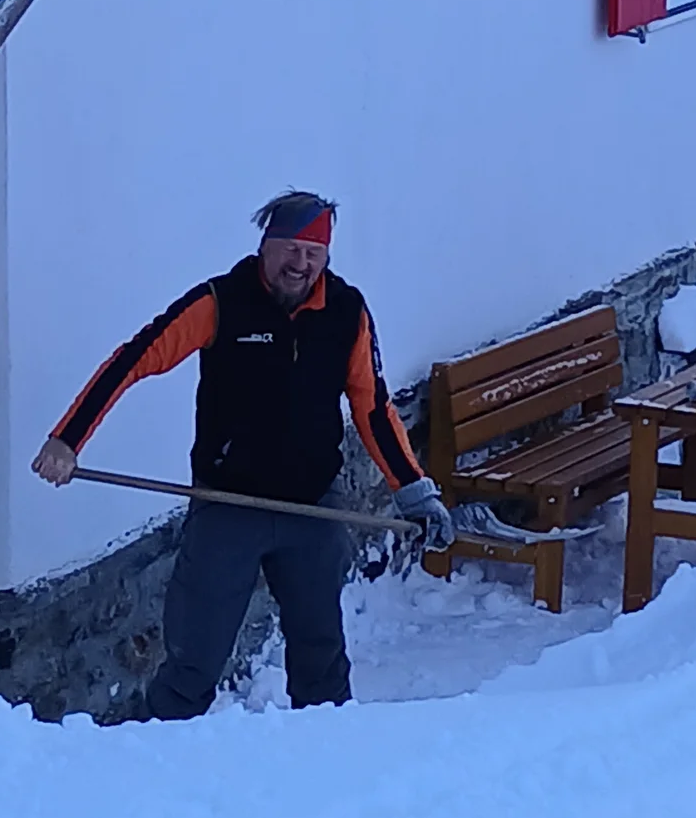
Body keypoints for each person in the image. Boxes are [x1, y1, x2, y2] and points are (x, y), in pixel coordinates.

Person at [33, 190, 454, 717]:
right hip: (228, 506)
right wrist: (67, 439)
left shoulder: (346, 311)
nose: (300, 264)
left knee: (322, 660)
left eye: (314, 253)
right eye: (290, 249)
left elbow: (373, 409)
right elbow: (135, 359)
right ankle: (158, 769)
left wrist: (415, 494)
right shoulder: (221, 301)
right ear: (266, 246)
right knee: (193, 663)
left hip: (313, 509)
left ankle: (325, 771)